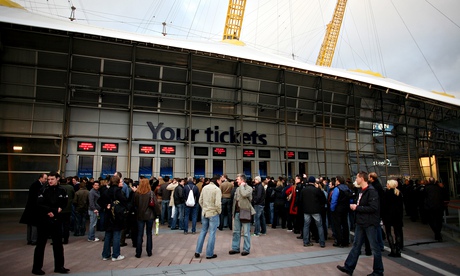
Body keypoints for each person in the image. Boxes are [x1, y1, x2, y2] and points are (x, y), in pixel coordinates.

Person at [337, 171, 383, 276]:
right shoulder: (361, 191)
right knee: (356, 245)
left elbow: (373, 208)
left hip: (370, 223)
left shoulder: (371, 191)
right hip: (361, 222)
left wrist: (357, 207)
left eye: (357, 177)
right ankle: (349, 267)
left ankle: (378, 271)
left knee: (375, 247)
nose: (356, 180)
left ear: (362, 178)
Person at [32, 171, 69, 275]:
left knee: (58, 244)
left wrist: (58, 210)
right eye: (48, 179)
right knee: (40, 244)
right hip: (44, 220)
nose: (50, 181)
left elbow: (64, 203)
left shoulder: (62, 190)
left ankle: (59, 266)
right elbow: (39, 204)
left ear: (57, 179)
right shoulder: (43, 189)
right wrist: (51, 211)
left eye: (52, 179)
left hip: (56, 220)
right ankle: (36, 268)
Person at [101, 175, 128, 261]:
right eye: (121, 182)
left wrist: (106, 205)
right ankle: (116, 255)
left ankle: (105, 254)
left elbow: (100, 201)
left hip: (108, 215)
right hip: (117, 216)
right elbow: (125, 202)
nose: (122, 183)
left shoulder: (107, 191)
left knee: (108, 235)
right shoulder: (118, 191)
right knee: (116, 235)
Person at [194, 177, 222, 259]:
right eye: (220, 180)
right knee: (212, 233)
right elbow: (218, 203)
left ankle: (197, 251)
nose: (221, 182)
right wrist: (219, 211)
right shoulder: (217, 189)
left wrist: (204, 208)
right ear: (217, 180)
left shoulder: (205, 188)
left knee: (203, 231)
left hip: (205, 212)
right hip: (213, 212)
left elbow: (200, 201)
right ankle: (209, 253)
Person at [229, 173, 255, 256]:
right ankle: (235, 248)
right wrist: (233, 213)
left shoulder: (249, 188)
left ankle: (246, 249)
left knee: (246, 232)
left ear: (242, 180)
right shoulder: (237, 189)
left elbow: (244, 194)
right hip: (237, 212)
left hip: (245, 212)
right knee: (236, 232)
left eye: (238, 179)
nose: (236, 180)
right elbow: (234, 201)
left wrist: (241, 186)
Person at [20, 173, 47, 246]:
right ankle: (34, 240)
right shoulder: (37, 186)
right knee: (34, 224)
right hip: (34, 208)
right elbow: (37, 198)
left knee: (30, 224)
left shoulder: (35, 185)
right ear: (40, 178)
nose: (46, 180)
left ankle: (29, 239)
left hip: (31, 208)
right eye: (45, 179)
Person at [299, 176, 326, 247]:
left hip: (306, 210)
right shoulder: (317, 190)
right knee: (319, 226)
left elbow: (300, 200)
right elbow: (323, 200)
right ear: (314, 182)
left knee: (306, 226)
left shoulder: (303, 190)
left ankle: (306, 241)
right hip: (316, 210)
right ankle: (322, 242)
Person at [133, 178, 157, 258]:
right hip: (150, 215)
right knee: (149, 233)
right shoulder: (151, 193)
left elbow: (135, 204)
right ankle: (149, 251)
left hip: (140, 215)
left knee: (139, 234)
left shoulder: (137, 193)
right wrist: (157, 214)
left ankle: (138, 252)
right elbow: (155, 205)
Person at [382, 179, 403, 257]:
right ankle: (398, 249)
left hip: (388, 215)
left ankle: (393, 250)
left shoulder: (386, 193)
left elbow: (384, 205)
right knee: (397, 233)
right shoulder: (398, 193)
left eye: (387, 184)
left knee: (389, 232)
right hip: (397, 215)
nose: (386, 185)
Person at [330, 176, 352, 248]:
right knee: (345, 225)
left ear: (338, 181)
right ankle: (346, 241)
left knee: (337, 226)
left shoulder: (337, 189)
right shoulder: (347, 188)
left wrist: (332, 209)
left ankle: (339, 241)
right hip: (345, 208)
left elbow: (334, 200)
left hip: (338, 209)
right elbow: (350, 198)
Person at [423, 177, 445, 242]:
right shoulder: (439, 188)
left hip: (430, 207)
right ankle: (438, 233)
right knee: (439, 220)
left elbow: (424, 197)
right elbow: (444, 195)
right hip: (439, 206)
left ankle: (437, 233)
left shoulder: (426, 188)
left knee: (431, 220)